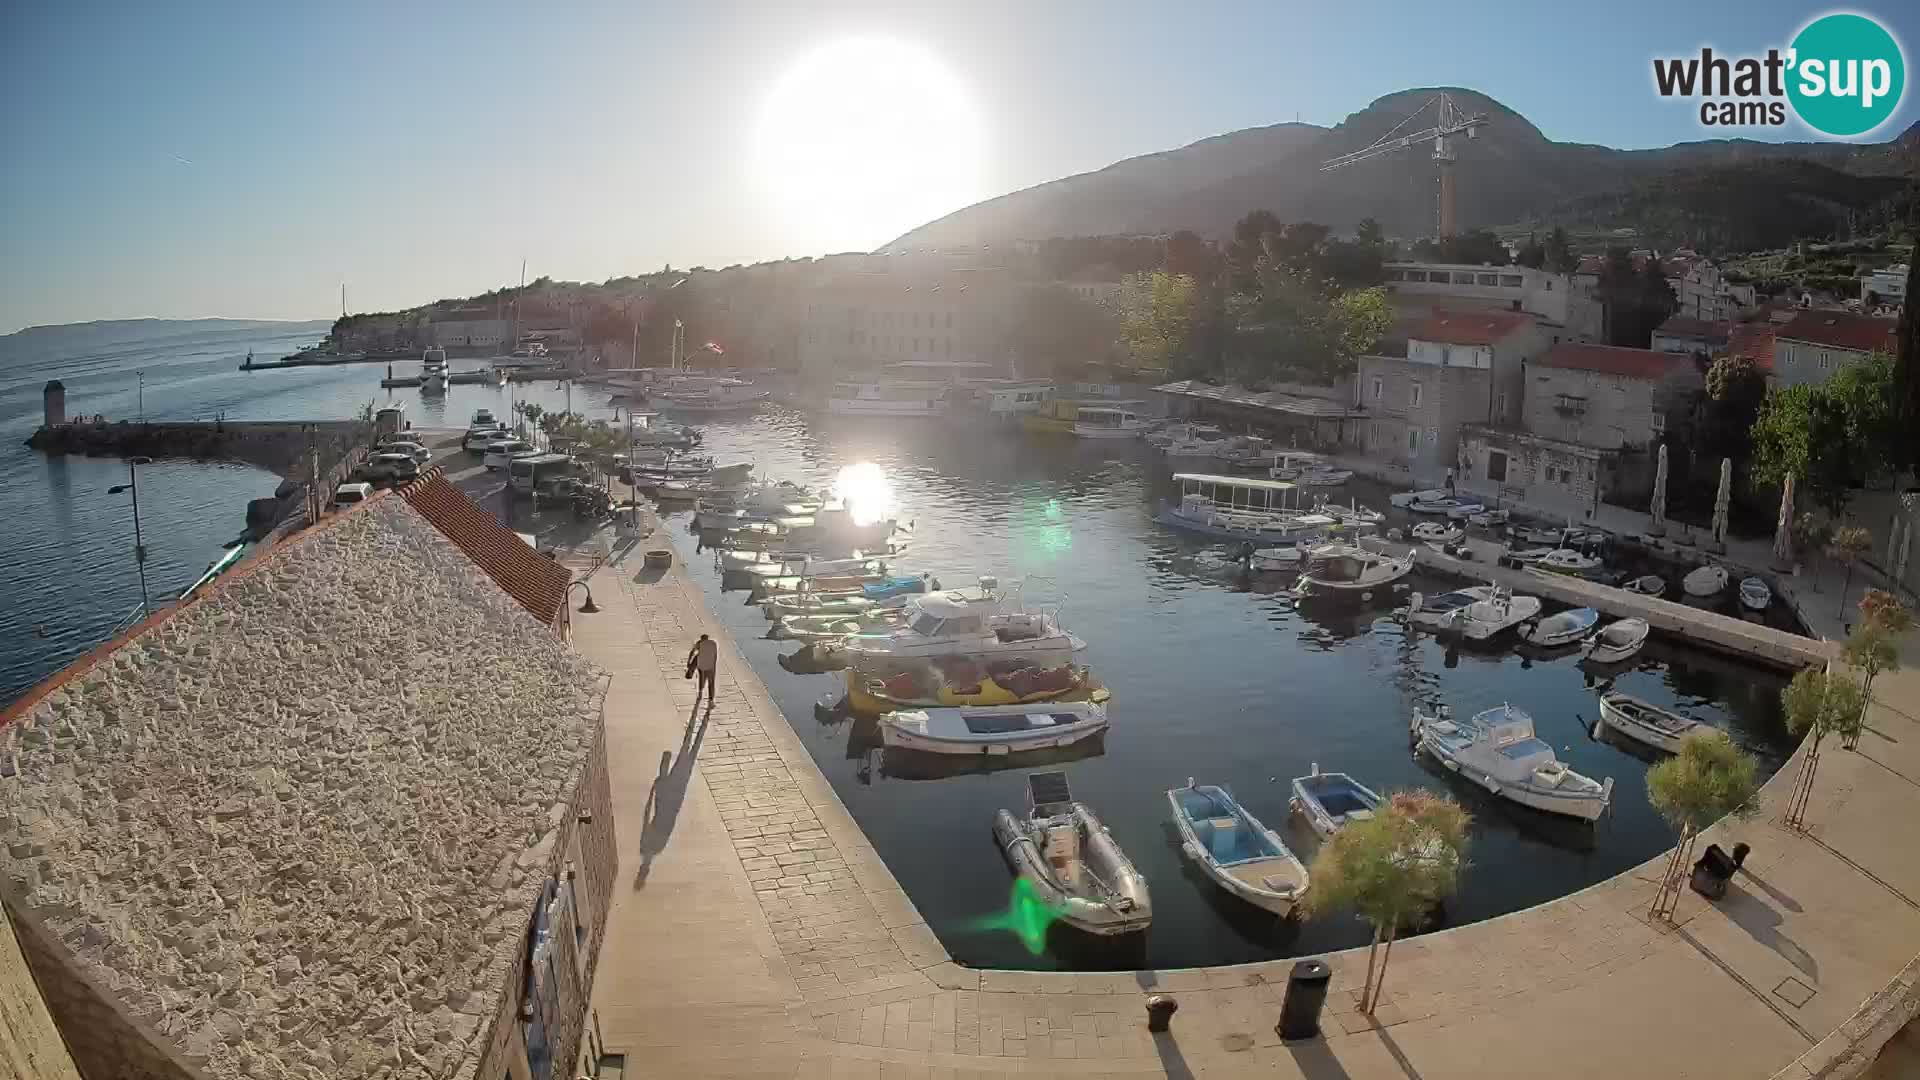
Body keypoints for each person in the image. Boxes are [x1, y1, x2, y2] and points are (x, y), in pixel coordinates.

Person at [687, 632, 718, 705]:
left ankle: (700, 692)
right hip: (710, 665)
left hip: (701, 664)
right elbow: (715, 655)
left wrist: (688, 662)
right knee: (711, 682)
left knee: (702, 678)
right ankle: (711, 700)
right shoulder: (712, 644)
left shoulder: (699, 643)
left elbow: (692, 652)